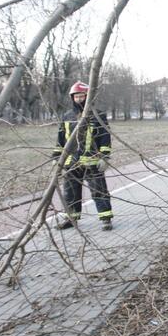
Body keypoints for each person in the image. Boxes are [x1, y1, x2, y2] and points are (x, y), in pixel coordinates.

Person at [52, 81, 114, 231]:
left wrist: (104, 157)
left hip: (92, 162)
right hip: (70, 163)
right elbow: (61, 138)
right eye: (76, 96)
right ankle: (71, 219)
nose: (79, 99)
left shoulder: (98, 115)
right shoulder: (67, 116)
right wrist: (56, 156)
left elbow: (105, 136)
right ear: (72, 98)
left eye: (82, 96)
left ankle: (106, 219)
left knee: (99, 192)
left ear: (88, 97)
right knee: (70, 193)